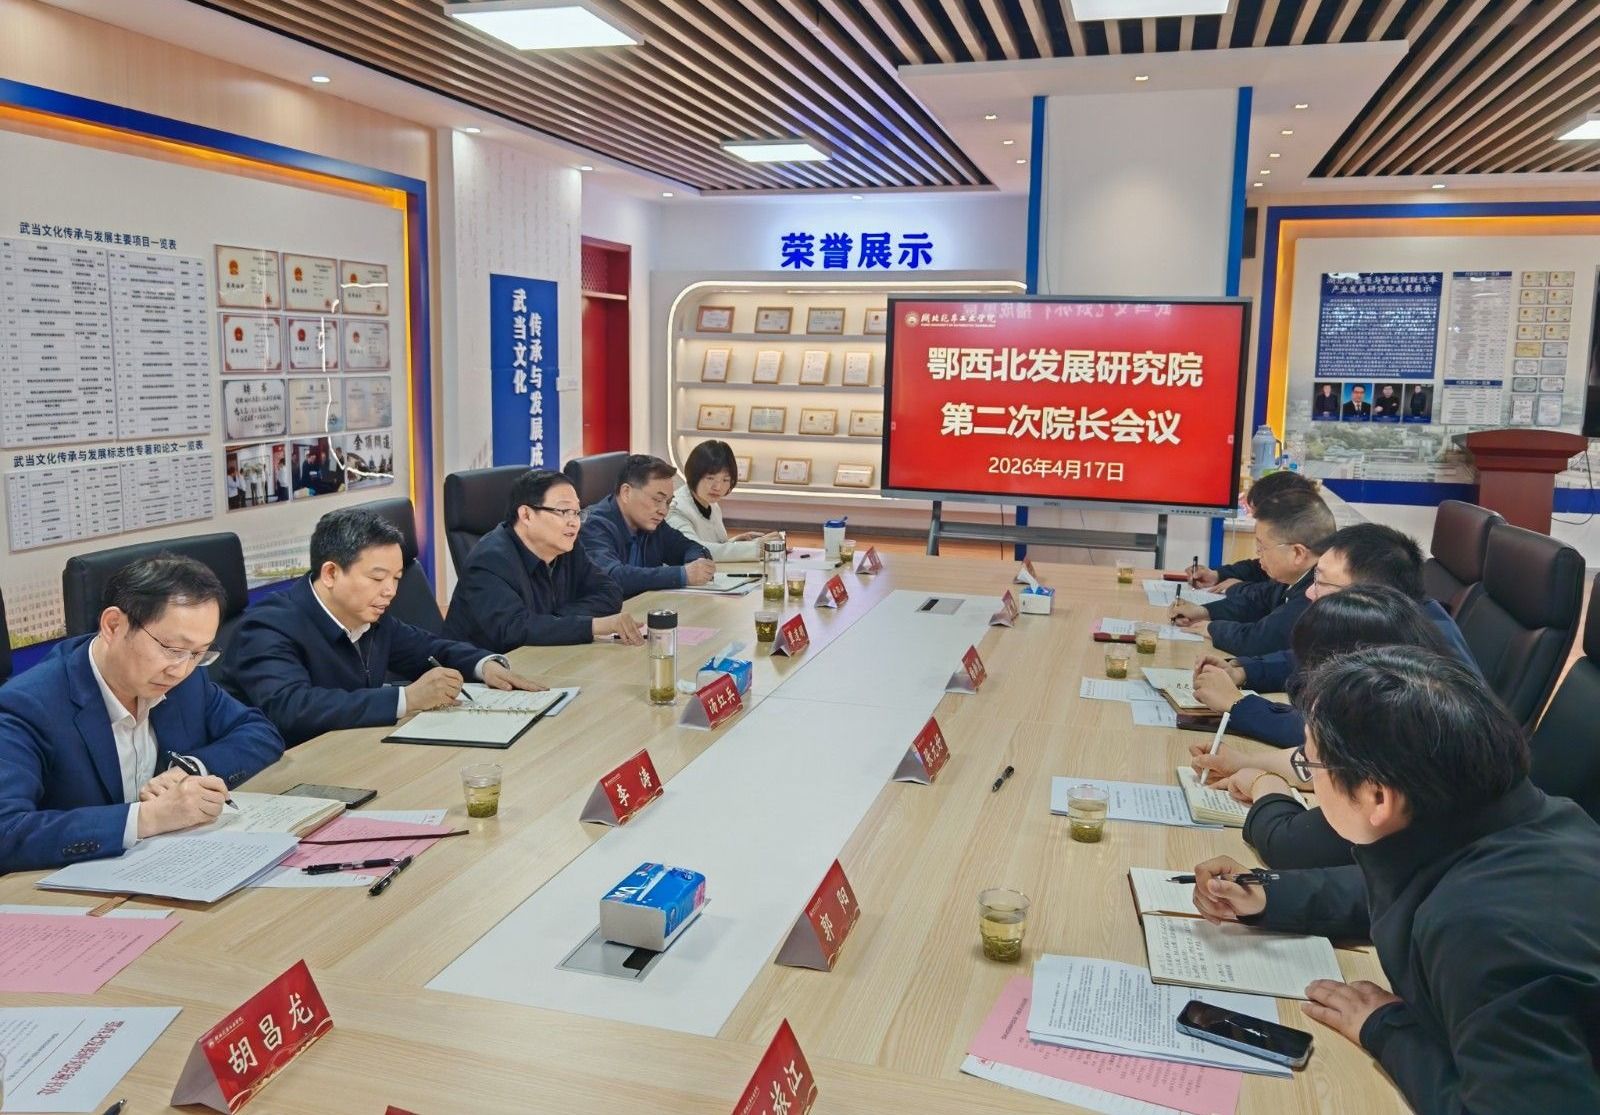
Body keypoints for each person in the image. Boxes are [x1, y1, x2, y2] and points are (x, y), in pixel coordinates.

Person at [1188, 648, 1600, 1113]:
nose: (1308, 776)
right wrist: (1270, 895)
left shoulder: (1485, 932)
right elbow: (1409, 889)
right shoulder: (1518, 820)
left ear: (1378, 798)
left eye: (1310, 765)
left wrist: (1386, 1028)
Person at [0, 555, 285, 874]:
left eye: (198, 653)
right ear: (113, 626)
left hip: (175, 867)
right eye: (172, 649)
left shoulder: (186, 681)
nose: (181, 669)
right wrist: (148, 817)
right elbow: (6, 831)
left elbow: (259, 732)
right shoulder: (26, 706)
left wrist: (190, 769)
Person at [221, 508, 547, 747]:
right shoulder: (268, 627)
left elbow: (428, 648)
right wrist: (407, 699)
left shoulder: (370, 618)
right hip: (288, 774)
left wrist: (483, 665)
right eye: (377, 578)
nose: (390, 591)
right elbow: (292, 708)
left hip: (355, 751)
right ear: (331, 573)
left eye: (396, 578)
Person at [1192, 522, 1477, 704]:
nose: (1309, 593)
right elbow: (1316, 660)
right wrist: (1244, 670)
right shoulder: (1394, 618)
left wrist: (1236, 705)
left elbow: (1328, 736)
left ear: (1367, 595)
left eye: (1322, 581)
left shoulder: (1410, 663)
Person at [445, 468, 639, 651]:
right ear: (526, 515)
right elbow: (514, 629)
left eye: (577, 513)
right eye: (563, 511)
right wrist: (591, 625)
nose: (574, 522)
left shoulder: (566, 546)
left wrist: (553, 622)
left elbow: (609, 592)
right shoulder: (489, 561)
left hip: (541, 656)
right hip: (482, 669)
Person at [1168, 489, 1334, 657]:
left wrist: (1211, 628)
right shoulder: (1295, 578)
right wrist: (1204, 611)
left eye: (1262, 547)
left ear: (1297, 553)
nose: (1258, 553)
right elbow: (1257, 601)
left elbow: (1260, 640)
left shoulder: (1317, 594)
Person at [579, 454, 715, 596]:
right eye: (657, 499)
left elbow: (689, 547)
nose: (663, 511)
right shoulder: (593, 526)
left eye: (668, 502)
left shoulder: (652, 523)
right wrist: (682, 575)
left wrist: (698, 564)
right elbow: (612, 577)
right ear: (626, 493)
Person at [1183, 470, 1317, 590]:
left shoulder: (1314, 576)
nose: (1256, 525)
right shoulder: (1293, 545)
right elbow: (1260, 569)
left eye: (1259, 517)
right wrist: (1217, 575)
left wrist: (1241, 588)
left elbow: (1275, 594)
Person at [666, 440, 778, 562]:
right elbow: (694, 549)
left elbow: (714, 545)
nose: (718, 487)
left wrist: (736, 542)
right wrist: (756, 548)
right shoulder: (675, 508)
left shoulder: (711, 504)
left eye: (725, 480)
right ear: (693, 475)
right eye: (710, 478)